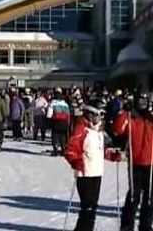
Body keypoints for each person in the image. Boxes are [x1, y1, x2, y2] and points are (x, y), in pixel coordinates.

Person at [113, 92, 153, 231]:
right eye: (140, 101)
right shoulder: (131, 116)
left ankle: (146, 225)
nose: (142, 104)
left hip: (152, 162)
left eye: (145, 101)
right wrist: (123, 111)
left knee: (149, 196)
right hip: (135, 163)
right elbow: (117, 129)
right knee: (134, 196)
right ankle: (127, 225)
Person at [65, 99, 121, 231]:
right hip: (85, 174)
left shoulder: (99, 132)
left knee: (93, 206)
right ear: (89, 113)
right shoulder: (81, 129)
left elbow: (101, 151)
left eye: (102, 114)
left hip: (97, 172)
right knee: (87, 206)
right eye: (98, 114)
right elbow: (70, 149)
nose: (100, 117)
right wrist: (76, 161)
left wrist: (114, 156)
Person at [47, 87, 71, 156]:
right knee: (62, 136)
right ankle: (63, 149)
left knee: (55, 135)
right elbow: (68, 114)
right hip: (64, 122)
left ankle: (55, 149)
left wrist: (48, 120)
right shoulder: (65, 103)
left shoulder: (53, 103)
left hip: (56, 121)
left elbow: (49, 114)